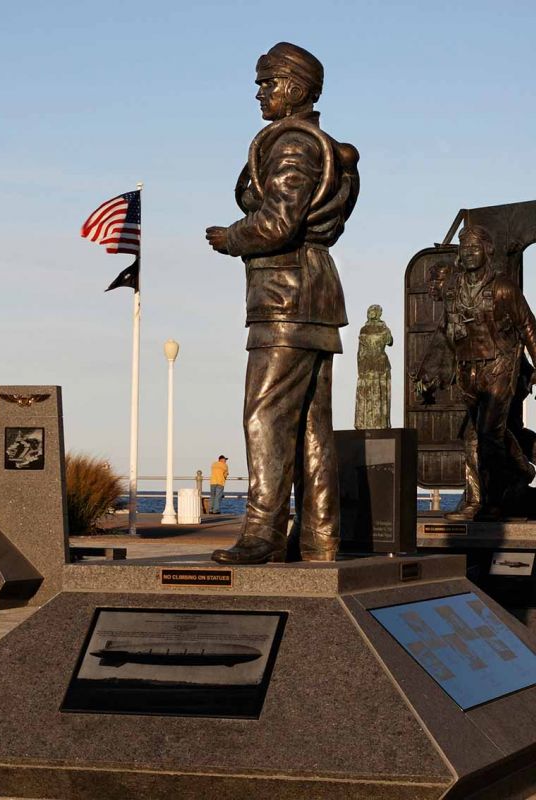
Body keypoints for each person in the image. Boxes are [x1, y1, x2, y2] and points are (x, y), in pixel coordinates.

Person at [206, 42, 360, 564]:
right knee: (312, 431)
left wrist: (231, 237)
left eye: (268, 83)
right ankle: (320, 537)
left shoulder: (293, 145)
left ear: (296, 88)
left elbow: (277, 223)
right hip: (313, 298)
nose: (260, 93)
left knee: (265, 417)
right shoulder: (322, 147)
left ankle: (262, 534)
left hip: (286, 297)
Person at [433, 225, 536, 520]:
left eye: (474, 247)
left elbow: (528, 326)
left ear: (487, 251)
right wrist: (437, 369)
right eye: (464, 248)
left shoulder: (503, 288)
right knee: (475, 437)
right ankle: (513, 476)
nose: (468, 253)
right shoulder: (452, 290)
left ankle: (490, 501)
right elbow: (446, 331)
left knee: (487, 435)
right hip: (468, 373)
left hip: (498, 368)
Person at [354, 305, 393, 429]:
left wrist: (384, 327)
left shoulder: (383, 328)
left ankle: (379, 423)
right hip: (367, 364)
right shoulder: (364, 329)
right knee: (366, 391)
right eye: (369, 311)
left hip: (379, 364)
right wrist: (360, 366)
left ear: (378, 313)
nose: (371, 313)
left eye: (373, 311)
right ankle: (365, 423)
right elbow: (360, 351)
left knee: (379, 391)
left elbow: (390, 341)